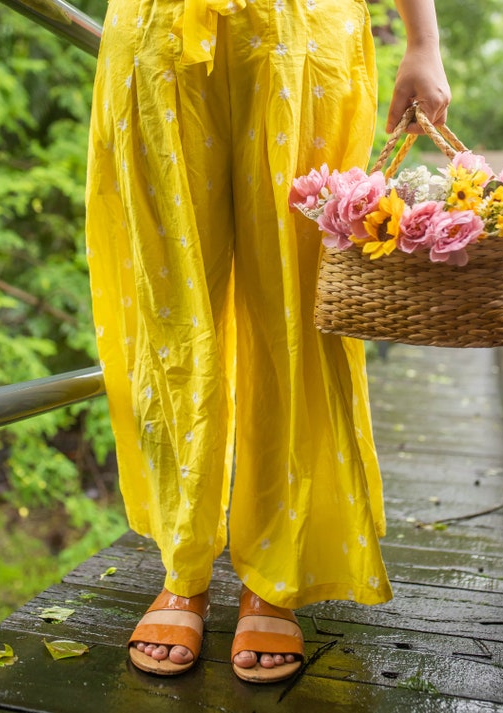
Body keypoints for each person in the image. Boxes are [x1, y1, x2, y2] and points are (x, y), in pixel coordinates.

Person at [85, 0, 450, 683]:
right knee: (170, 315)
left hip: (303, 34)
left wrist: (423, 41)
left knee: (297, 309)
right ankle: (183, 564)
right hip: (157, 33)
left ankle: (277, 573)